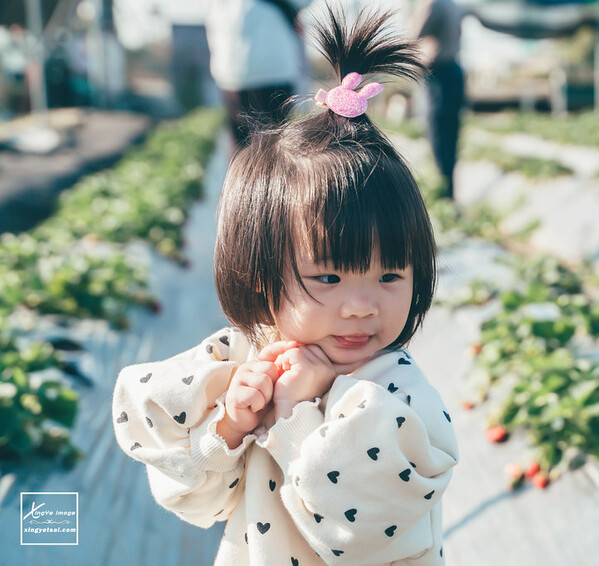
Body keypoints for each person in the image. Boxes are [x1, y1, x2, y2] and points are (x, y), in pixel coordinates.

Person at [112, 7, 458, 565]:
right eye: (328, 276)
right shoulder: (247, 361)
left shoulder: (395, 394)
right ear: (259, 270)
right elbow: (194, 499)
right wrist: (229, 426)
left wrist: (296, 418)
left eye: (391, 275)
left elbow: (368, 533)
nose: (361, 306)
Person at [205, 0, 312, 149]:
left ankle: (241, 171)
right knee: (274, 146)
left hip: (231, 71)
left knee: (242, 149)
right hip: (271, 71)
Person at [411, 0, 465, 200]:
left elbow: (414, 36)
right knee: (451, 136)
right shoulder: (452, 5)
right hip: (454, 71)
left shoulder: (433, 4)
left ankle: (443, 193)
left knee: (439, 135)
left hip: (439, 73)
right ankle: (449, 192)